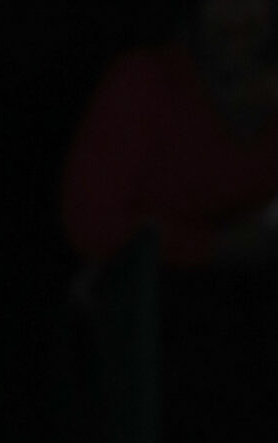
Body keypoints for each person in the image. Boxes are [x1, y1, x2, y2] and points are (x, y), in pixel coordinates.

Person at [63, 0, 278, 270]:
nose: (237, 12)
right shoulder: (145, 85)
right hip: (158, 286)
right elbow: (91, 224)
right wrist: (215, 244)